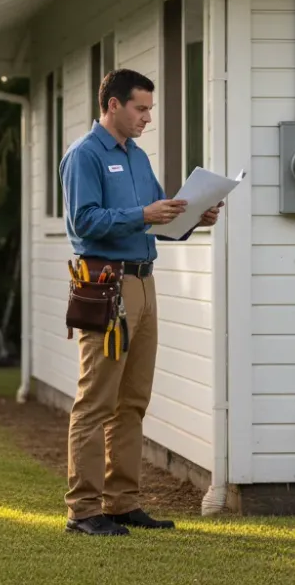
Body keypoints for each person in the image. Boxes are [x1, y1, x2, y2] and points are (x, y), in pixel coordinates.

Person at [60, 68, 223, 537]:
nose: (147, 117)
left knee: (133, 400)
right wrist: (143, 214)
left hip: (145, 284)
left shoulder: (136, 157)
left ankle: (122, 502)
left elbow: (156, 218)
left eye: (150, 109)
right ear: (112, 104)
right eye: (141, 108)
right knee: (96, 401)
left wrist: (193, 217)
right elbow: (84, 223)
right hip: (107, 286)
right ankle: (83, 510)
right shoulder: (84, 156)